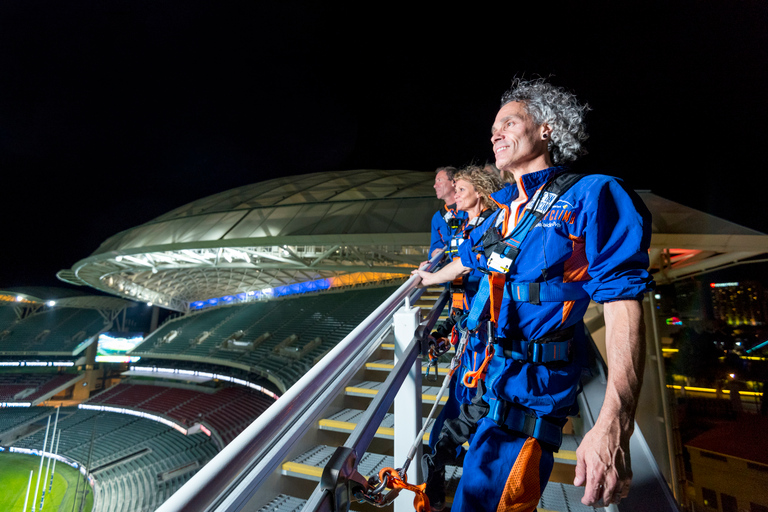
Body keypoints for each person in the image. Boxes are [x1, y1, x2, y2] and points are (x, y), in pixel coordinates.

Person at [413, 78, 654, 511]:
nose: (495, 134)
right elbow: (466, 259)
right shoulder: (501, 210)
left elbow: (622, 304)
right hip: (490, 381)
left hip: (532, 399)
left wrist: (614, 423)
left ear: (547, 128)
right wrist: (426, 279)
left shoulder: (592, 195)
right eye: (492, 129)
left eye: (509, 122)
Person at [426, 166, 503, 454]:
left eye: (460, 189)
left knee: (473, 394)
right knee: (461, 393)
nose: (453, 195)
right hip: (468, 322)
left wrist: (432, 277)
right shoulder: (465, 225)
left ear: (480, 193)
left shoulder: (491, 225)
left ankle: (458, 454)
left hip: (483, 326)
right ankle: (449, 455)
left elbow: (468, 263)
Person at [429, 166, 468, 260]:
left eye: (439, 180)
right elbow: (434, 247)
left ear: (453, 182)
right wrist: (434, 254)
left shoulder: (470, 208)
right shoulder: (437, 217)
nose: (435, 185)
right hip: (452, 270)